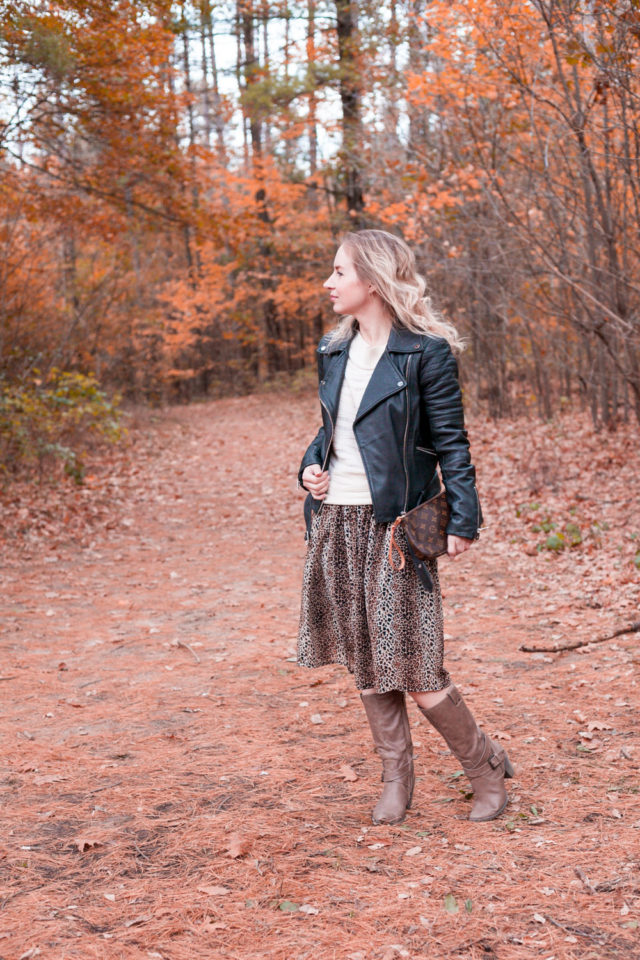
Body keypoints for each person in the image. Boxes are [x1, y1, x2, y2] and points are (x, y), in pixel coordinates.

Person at [297, 229, 513, 826]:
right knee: (367, 656)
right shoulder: (332, 350)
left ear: (373, 278)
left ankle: (483, 768)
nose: (329, 283)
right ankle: (397, 776)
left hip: (395, 528)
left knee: (416, 666)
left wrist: (463, 517)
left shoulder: (425, 353)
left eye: (340, 272)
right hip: (336, 522)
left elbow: (452, 443)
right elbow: (329, 434)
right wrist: (309, 469)